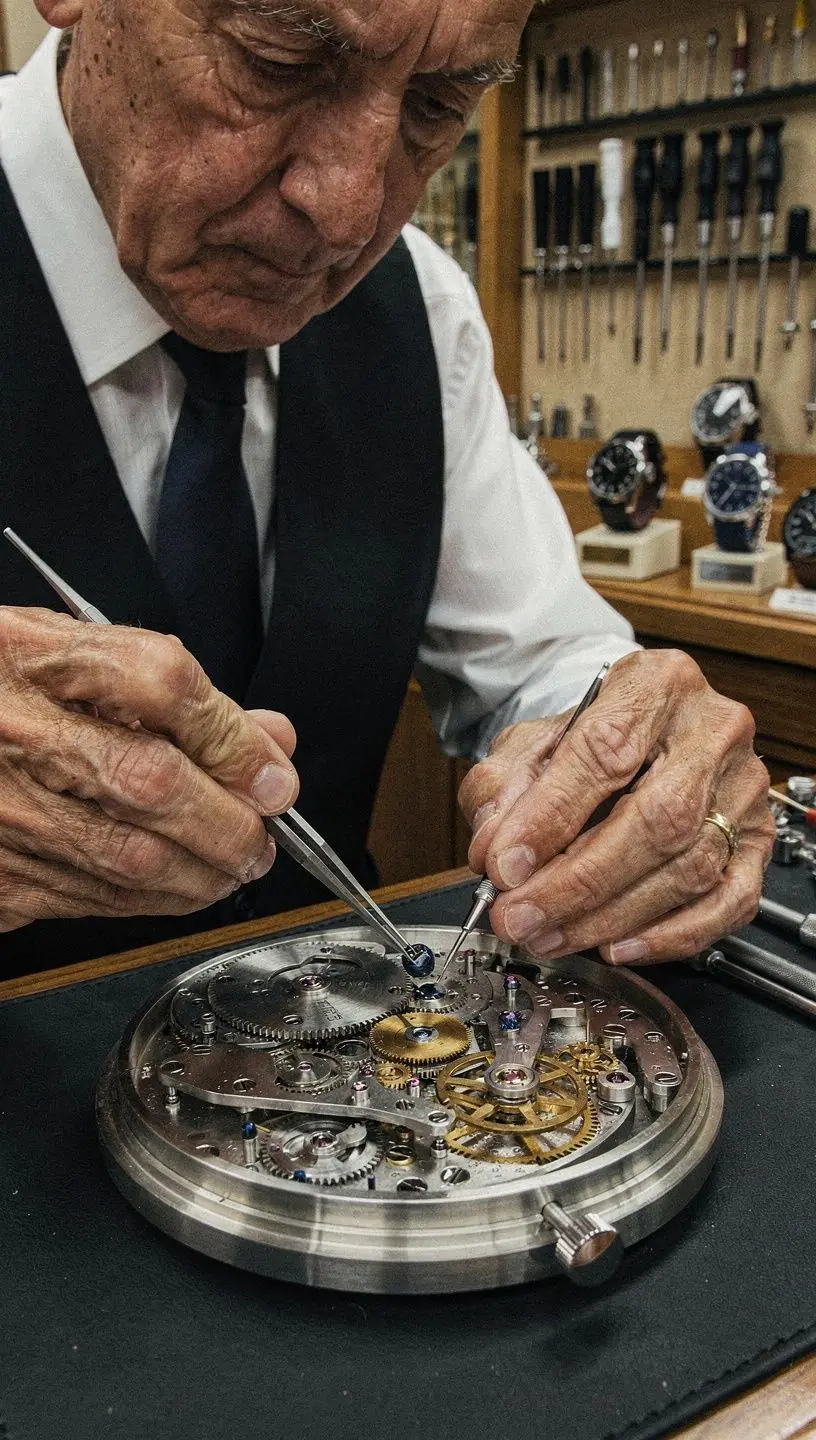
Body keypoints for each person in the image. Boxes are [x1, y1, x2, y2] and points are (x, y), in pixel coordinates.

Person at [0, 0, 772, 980]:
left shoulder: (421, 309)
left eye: (437, 105)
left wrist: (630, 758)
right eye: (279, 57)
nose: (352, 205)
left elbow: (544, 661)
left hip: (333, 1081)